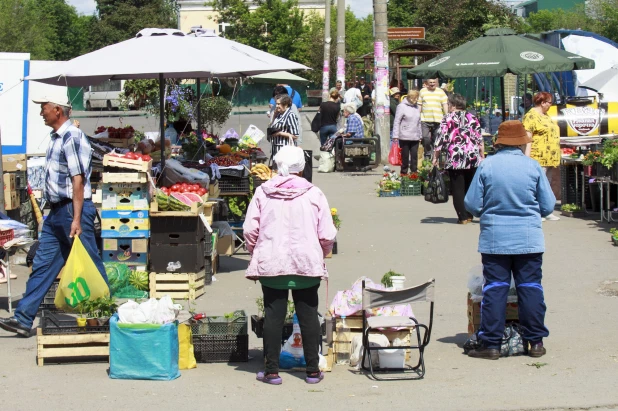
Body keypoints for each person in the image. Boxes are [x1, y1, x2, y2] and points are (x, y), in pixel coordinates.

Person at [0, 92, 109, 337]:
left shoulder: (72, 136)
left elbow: (78, 180)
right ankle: (23, 318)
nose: (41, 112)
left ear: (57, 110)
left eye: (44, 108)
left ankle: (110, 318)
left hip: (72, 210)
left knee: (91, 265)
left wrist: (78, 219)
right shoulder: (56, 137)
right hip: (57, 212)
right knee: (42, 265)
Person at [243, 146, 337, 385]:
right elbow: (327, 233)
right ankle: (313, 371)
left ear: (277, 166)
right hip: (306, 264)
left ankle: (272, 371)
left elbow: (250, 230)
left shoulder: (263, 192)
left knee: (273, 316)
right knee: (308, 316)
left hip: (272, 264)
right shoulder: (314, 193)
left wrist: (257, 251)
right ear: (302, 168)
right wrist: (322, 252)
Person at [464, 120, 555, 360]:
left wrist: (490, 210)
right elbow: (547, 206)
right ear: (522, 143)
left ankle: (492, 344)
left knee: (495, 288)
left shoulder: (487, 166)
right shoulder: (533, 167)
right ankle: (535, 342)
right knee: (531, 287)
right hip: (529, 239)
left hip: (495, 238)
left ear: (499, 143)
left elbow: (471, 204)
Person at [433, 93, 484, 224]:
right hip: (472, 157)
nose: (448, 106)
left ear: (454, 105)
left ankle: (462, 217)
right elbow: (479, 139)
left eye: (449, 104)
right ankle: (469, 214)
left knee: (457, 188)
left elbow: (440, 140)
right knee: (469, 187)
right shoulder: (472, 117)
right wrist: (482, 155)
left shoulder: (447, 119)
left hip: (455, 158)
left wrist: (435, 158)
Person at [522, 92, 560, 221]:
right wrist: (526, 158)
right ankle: (536, 211)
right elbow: (527, 138)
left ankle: (546, 210)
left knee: (546, 185)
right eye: (549, 102)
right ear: (542, 102)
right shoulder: (531, 116)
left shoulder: (546, 116)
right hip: (538, 156)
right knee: (537, 185)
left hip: (549, 156)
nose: (550, 105)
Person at [392, 90, 422, 174]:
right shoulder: (401, 106)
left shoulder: (416, 107)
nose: (417, 100)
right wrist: (395, 135)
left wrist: (420, 135)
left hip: (415, 136)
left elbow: (419, 122)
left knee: (414, 156)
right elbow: (397, 121)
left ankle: (414, 174)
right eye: (415, 98)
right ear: (411, 98)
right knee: (404, 157)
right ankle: (404, 174)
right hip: (404, 135)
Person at [419, 78, 449, 158]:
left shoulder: (441, 92)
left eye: (434, 82)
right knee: (425, 138)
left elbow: (444, 104)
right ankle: (428, 153)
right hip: (425, 119)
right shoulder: (422, 91)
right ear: (427, 83)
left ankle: (435, 157)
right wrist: (418, 115)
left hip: (438, 119)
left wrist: (447, 116)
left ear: (437, 83)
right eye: (430, 82)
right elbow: (419, 104)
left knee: (436, 139)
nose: (432, 84)